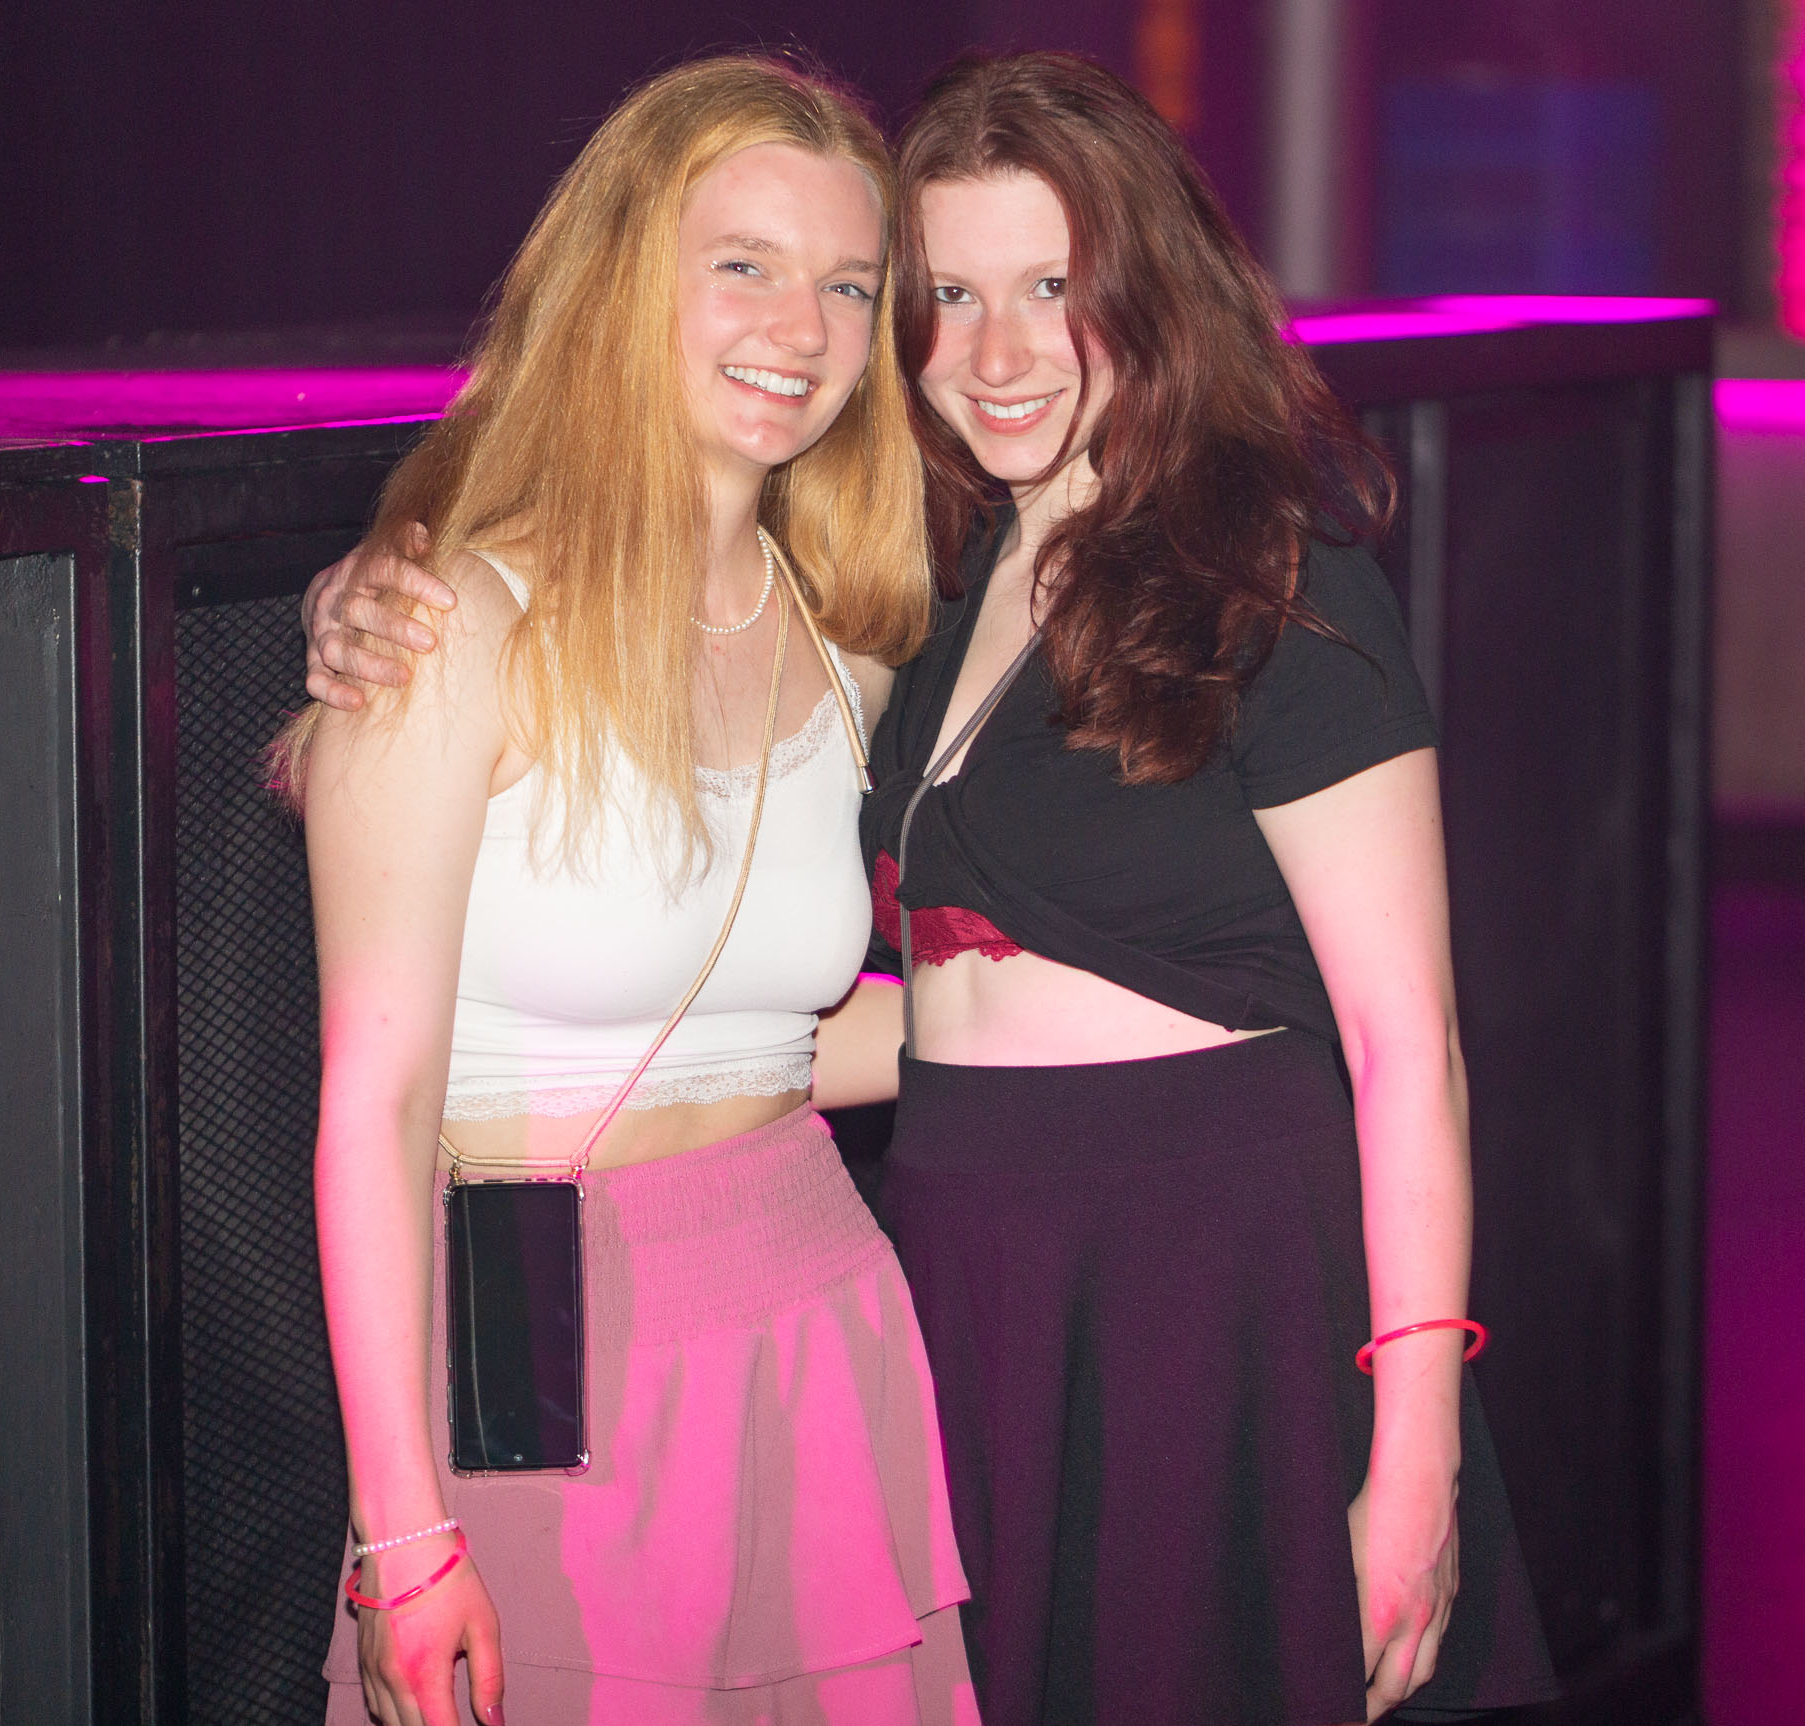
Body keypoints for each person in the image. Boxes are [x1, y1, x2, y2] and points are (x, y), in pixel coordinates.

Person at [304, 50, 1556, 1726]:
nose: (994, 349)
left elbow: (1409, 1043)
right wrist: (378, 596)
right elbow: (809, 1013)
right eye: (947, 294)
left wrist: (1418, 1447)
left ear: (1149, 287)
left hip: (1151, 1261)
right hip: (916, 1260)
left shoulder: (1238, 570)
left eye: (1049, 286)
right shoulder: (926, 590)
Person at [280, 54, 975, 1726]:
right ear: (620, 280)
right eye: (743, 263)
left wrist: (1132, 1017)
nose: (802, 328)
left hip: (815, 1316)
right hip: (549, 1345)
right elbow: (374, 1101)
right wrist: (401, 1531)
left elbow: (774, 1036)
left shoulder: (850, 645)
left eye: (848, 285)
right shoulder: (449, 629)